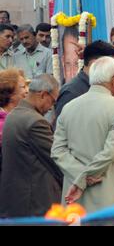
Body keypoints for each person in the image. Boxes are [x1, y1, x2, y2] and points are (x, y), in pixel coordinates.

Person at [52, 57, 114, 213]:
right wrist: (87, 176)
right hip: (105, 187)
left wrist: (80, 176)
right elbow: (109, 152)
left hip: (73, 189)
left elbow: (57, 151)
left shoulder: (69, 107)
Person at [0, 74, 62, 218]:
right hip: (36, 205)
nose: (51, 107)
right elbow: (56, 160)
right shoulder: (35, 122)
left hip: (17, 202)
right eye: (52, 102)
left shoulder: (14, 115)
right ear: (43, 95)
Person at [54, 41, 114, 121]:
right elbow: (63, 127)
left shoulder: (103, 87)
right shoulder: (71, 92)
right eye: (111, 65)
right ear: (95, 63)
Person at [0, 68, 28, 183]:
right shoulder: (4, 124)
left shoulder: (21, 116)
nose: (27, 91)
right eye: (23, 87)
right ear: (10, 94)